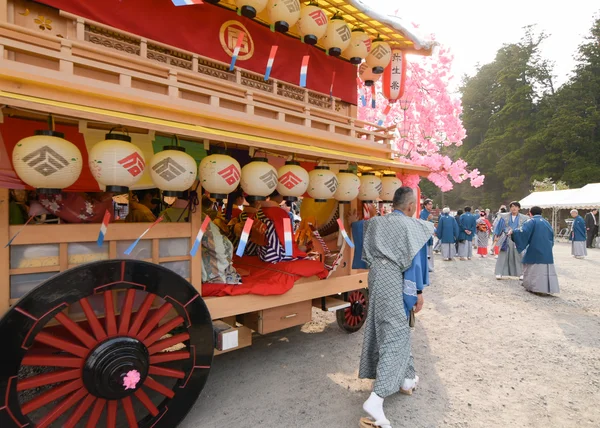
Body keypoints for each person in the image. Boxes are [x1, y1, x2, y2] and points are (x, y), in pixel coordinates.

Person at [358, 187, 433, 428]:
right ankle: (376, 398)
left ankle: (407, 379)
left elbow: (360, 231)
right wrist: (418, 292)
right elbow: (416, 264)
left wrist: (356, 220)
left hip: (375, 277)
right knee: (397, 333)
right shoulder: (414, 226)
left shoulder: (375, 223)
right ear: (410, 206)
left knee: (384, 328)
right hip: (393, 279)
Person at [511, 206, 559, 295]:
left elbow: (523, 232)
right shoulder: (546, 222)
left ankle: (535, 287)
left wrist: (514, 232)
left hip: (535, 247)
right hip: (546, 248)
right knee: (546, 268)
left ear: (530, 213)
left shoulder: (531, 221)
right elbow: (551, 236)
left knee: (533, 266)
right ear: (541, 213)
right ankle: (547, 288)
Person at [494, 201, 528, 280]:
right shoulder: (504, 216)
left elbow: (526, 229)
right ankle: (499, 273)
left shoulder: (524, 218)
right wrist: (497, 236)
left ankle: (521, 273)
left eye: (516, 206)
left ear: (519, 208)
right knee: (503, 255)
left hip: (518, 239)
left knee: (519, 256)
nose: (514, 208)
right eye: (512, 206)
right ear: (510, 208)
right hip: (506, 238)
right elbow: (499, 227)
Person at [420, 199, 435, 272]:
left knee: (430, 252)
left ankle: (430, 267)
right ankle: (427, 267)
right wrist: (428, 219)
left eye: (431, 204)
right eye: (429, 204)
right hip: (424, 236)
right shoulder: (423, 213)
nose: (431, 206)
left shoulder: (429, 212)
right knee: (427, 252)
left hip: (429, 235)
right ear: (425, 205)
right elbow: (421, 223)